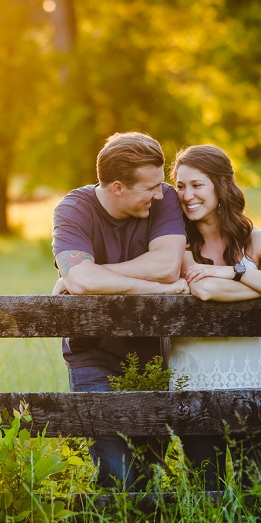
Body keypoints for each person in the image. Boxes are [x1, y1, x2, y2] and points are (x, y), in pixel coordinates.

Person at [51, 131, 189, 491]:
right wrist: (153, 288)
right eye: (150, 188)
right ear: (117, 187)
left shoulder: (164, 199)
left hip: (151, 357)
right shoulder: (73, 209)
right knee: (118, 477)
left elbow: (167, 266)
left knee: (149, 474)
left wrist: (91, 275)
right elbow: (81, 280)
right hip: (92, 354)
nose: (161, 193)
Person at [169, 144, 261, 491]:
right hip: (194, 378)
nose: (187, 195)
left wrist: (234, 273)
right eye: (180, 186)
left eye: (197, 185)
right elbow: (206, 292)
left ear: (221, 185)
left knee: (256, 492)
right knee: (206, 494)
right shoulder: (178, 243)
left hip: (251, 379)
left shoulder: (257, 239)